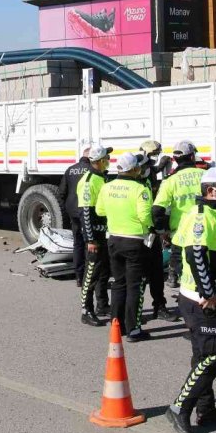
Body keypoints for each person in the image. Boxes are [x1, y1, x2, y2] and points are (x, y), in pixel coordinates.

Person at [165, 167, 216, 433]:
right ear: (210, 190)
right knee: (211, 358)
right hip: (201, 300)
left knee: (201, 356)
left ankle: (206, 409)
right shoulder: (200, 217)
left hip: (195, 298)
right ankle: (179, 408)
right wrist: (209, 293)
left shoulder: (208, 214)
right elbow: (196, 255)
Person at [96, 152, 153, 343]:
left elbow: (100, 210)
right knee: (134, 285)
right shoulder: (140, 189)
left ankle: (116, 325)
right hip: (135, 241)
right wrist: (150, 228)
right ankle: (133, 329)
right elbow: (145, 216)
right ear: (134, 169)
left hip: (113, 239)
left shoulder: (107, 187)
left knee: (119, 283)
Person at [153, 141, 205, 288]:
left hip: (180, 231)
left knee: (177, 257)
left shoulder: (170, 180)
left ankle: (174, 278)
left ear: (175, 159)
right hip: (204, 228)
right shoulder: (205, 175)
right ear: (192, 157)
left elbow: (157, 209)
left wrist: (162, 230)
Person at [137, 145, 180, 324]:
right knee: (138, 277)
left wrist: (160, 231)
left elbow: (155, 168)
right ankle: (136, 314)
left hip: (151, 234)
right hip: (137, 236)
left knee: (155, 273)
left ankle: (159, 306)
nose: (151, 167)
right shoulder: (134, 185)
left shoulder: (148, 176)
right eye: (149, 163)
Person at [76, 145, 112, 326]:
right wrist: (90, 239)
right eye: (106, 158)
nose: (109, 160)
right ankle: (86, 310)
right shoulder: (89, 181)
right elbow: (86, 213)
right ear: (98, 161)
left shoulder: (102, 177)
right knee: (91, 274)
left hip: (104, 232)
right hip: (94, 236)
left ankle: (102, 305)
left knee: (104, 272)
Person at [60, 147, 93, 285]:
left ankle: (79, 277)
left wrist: (68, 207)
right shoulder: (92, 172)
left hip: (73, 211)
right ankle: (88, 277)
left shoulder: (70, 169)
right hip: (87, 212)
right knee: (89, 244)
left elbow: (62, 192)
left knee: (77, 243)